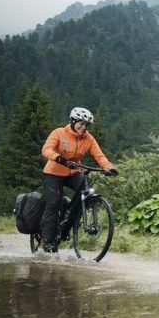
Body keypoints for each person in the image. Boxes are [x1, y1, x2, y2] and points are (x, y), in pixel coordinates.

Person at [40, 107, 118, 252]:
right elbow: (46, 149)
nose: (83, 128)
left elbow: (99, 155)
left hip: (73, 172)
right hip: (53, 173)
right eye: (81, 124)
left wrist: (108, 167)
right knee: (53, 204)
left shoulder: (88, 138)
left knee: (86, 192)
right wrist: (59, 158)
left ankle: (67, 225)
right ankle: (48, 240)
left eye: (86, 125)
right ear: (73, 121)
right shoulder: (59, 133)